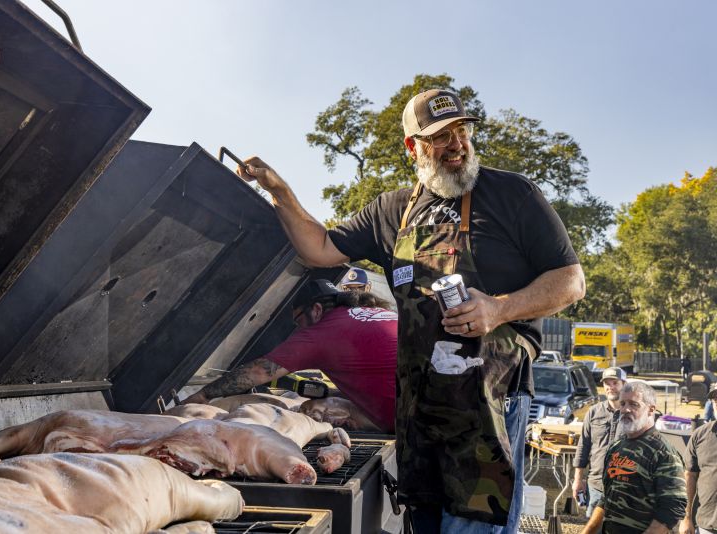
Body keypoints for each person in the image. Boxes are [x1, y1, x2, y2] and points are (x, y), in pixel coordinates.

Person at [235, 88, 585, 533]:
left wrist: (500, 308)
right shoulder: (391, 210)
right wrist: (279, 191)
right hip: (419, 406)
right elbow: (320, 249)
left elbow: (571, 281)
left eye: (462, 131)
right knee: (424, 521)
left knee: (474, 523)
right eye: (440, 136)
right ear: (413, 146)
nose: (457, 144)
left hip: (488, 404)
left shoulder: (513, 194)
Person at [181, 279, 397, 432]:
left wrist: (201, 397)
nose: (298, 329)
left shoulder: (323, 331)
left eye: (298, 321)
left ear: (317, 310)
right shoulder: (374, 313)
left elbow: (258, 371)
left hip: (413, 420)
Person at [581, 381, 687, 534]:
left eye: (634, 404)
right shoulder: (616, 447)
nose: (625, 409)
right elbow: (606, 497)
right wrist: (588, 531)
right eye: (622, 403)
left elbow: (672, 508)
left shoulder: (663, 453)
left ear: (651, 410)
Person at [573, 367, 628, 521]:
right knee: (594, 527)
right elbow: (583, 447)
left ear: (624, 384)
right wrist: (578, 480)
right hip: (596, 485)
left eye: (615, 382)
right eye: (607, 383)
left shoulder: (632, 414)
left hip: (624, 488)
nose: (610, 387)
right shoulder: (594, 412)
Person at [680, 384, 717, 534]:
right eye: (716, 401)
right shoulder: (700, 435)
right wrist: (686, 518)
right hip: (706, 525)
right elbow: (690, 476)